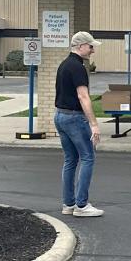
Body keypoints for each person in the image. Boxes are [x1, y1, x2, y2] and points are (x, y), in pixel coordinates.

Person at [55, 31, 104, 217]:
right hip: (74, 118)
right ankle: (81, 205)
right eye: (91, 46)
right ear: (81, 46)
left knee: (70, 160)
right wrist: (94, 124)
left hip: (60, 116)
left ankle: (69, 204)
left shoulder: (64, 65)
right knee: (88, 157)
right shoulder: (78, 67)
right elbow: (83, 96)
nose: (92, 50)